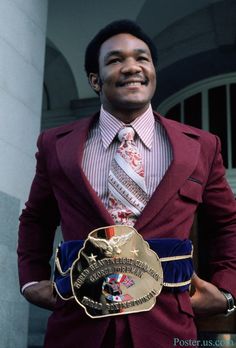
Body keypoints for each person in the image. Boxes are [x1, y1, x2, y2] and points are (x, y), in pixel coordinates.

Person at [17, 19, 236, 348]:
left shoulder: (202, 146)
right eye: (116, 60)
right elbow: (36, 217)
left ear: (153, 73)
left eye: (142, 58)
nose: (132, 67)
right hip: (78, 323)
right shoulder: (55, 144)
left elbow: (227, 223)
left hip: (168, 323)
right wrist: (31, 279)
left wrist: (227, 289)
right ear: (95, 80)